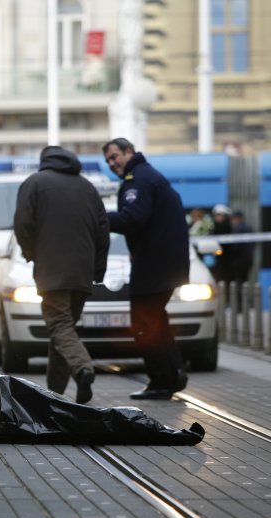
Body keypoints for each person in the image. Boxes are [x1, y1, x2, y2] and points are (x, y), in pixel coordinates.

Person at [13, 146, 110, 403]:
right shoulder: (87, 187)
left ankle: (82, 368)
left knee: (59, 326)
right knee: (63, 329)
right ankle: (54, 393)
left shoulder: (34, 183)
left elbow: (22, 224)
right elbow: (103, 231)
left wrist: (32, 254)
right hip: (82, 271)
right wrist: (98, 269)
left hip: (52, 269)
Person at [102, 137, 189, 400]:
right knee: (156, 319)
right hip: (162, 262)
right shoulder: (146, 175)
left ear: (130, 152)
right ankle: (172, 374)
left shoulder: (138, 179)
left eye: (115, 156)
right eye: (108, 160)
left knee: (144, 322)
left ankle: (161, 381)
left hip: (154, 264)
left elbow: (133, 218)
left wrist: (97, 218)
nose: (112, 163)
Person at [210, 204, 233, 284]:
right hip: (214, 261)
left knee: (225, 281)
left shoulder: (228, 228)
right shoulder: (213, 227)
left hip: (226, 261)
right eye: (217, 215)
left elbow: (229, 246)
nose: (218, 217)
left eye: (220, 215)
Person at [230, 210, 254, 285]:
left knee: (237, 283)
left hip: (238, 261)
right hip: (247, 260)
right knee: (244, 281)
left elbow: (235, 246)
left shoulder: (238, 229)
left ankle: (239, 296)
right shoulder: (249, 228)